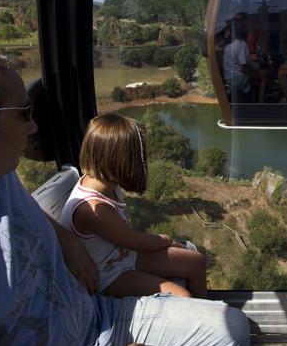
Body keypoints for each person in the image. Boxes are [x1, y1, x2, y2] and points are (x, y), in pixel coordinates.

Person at [0, 43, 249, 346]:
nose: (34, 128)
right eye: (25, 112)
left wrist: (69, 242)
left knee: (230, 329)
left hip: (99, 318)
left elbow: (32, 216)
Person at [59, 113, 207, 299]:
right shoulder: (94, 208)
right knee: (182, 296)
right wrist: (165, 240)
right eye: (136, 158)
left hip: (124, 256)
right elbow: (136, 241)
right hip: (109, 275)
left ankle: (208, 310)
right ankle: (200, 318)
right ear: (119, 161)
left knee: (196, 262)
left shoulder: (105, 185)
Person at [222, 18, 251, 103]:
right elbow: (243, 68)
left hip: (227, 79)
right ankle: (260, 103)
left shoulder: (224, 44)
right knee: (263, 74)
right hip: (238, 79)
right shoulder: (241, 44)